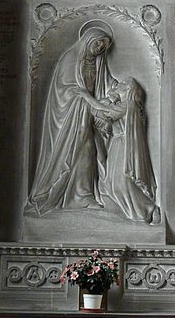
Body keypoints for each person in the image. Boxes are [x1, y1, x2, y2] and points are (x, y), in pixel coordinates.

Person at [27, 24, 118, 215]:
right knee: (82, 149)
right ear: (88, 40)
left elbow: (109, 84)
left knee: (93, 151)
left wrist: (113, 96)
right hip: (70, 116)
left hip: (87, 115)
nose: (100, 48)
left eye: (104, 45)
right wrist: (97, 106)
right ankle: (79, 197)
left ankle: (84, 195)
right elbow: (67, 90)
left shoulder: (98, 63)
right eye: (98, 43)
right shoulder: (70, 59)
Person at [99, 77, 159, 224]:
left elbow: (105, 112)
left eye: (122, 84)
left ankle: (148, 210)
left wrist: (87, 98)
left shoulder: (129, 105)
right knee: (110, 183)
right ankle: (131, 214)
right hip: (116, 144)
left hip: (125, 146)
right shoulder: (124, 105)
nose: (117, 86)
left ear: (128, 89)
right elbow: (105, 121)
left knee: (122, 181)